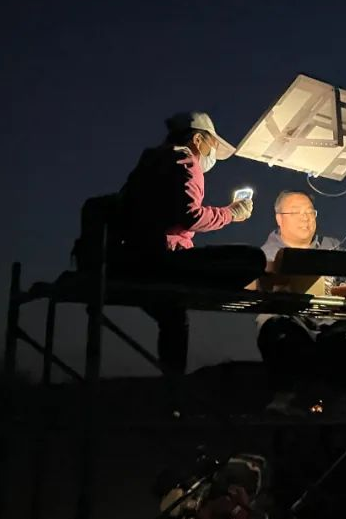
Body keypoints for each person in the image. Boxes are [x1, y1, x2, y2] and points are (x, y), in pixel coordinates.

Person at [110, 111, 265, 382]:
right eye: (212, 144)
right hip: (161, 259)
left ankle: (172, 386)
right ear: (198, 139)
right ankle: (174, 386)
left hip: (131, 257)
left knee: (172, 319)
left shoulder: (150, 163)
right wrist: (231, 213)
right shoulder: (185, 160)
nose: (213, 153)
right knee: (253, 259)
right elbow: (189, 216)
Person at [254, 190, 346, 414]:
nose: (305, 218)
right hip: (292, 322)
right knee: (277, 328)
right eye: (296, 212)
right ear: (279, 218)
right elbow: (264, 283)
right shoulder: (265, 254)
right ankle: (286, 400)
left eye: (309, 212)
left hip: (331, 323)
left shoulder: (331, 246)